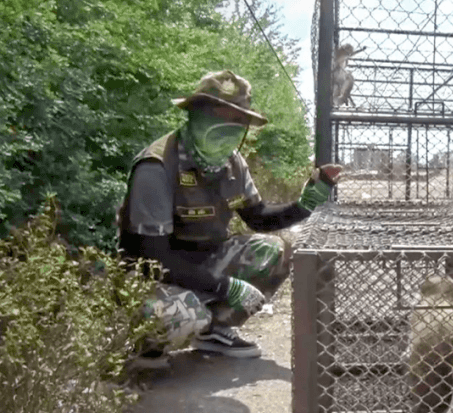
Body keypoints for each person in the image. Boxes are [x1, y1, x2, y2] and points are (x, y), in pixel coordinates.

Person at [118, 70, 342, 368]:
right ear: (195, 113)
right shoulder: (157, 166)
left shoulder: (231, 163)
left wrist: (305, 204)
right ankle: (145, 346)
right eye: (220, 116)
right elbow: (153, 256)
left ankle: (213, 332)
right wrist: (226, 287)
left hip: (202, 260)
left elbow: (258, 218)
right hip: (153, 274)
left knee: (274, 249)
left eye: (238, 121)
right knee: (183, 315)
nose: (229, 128)